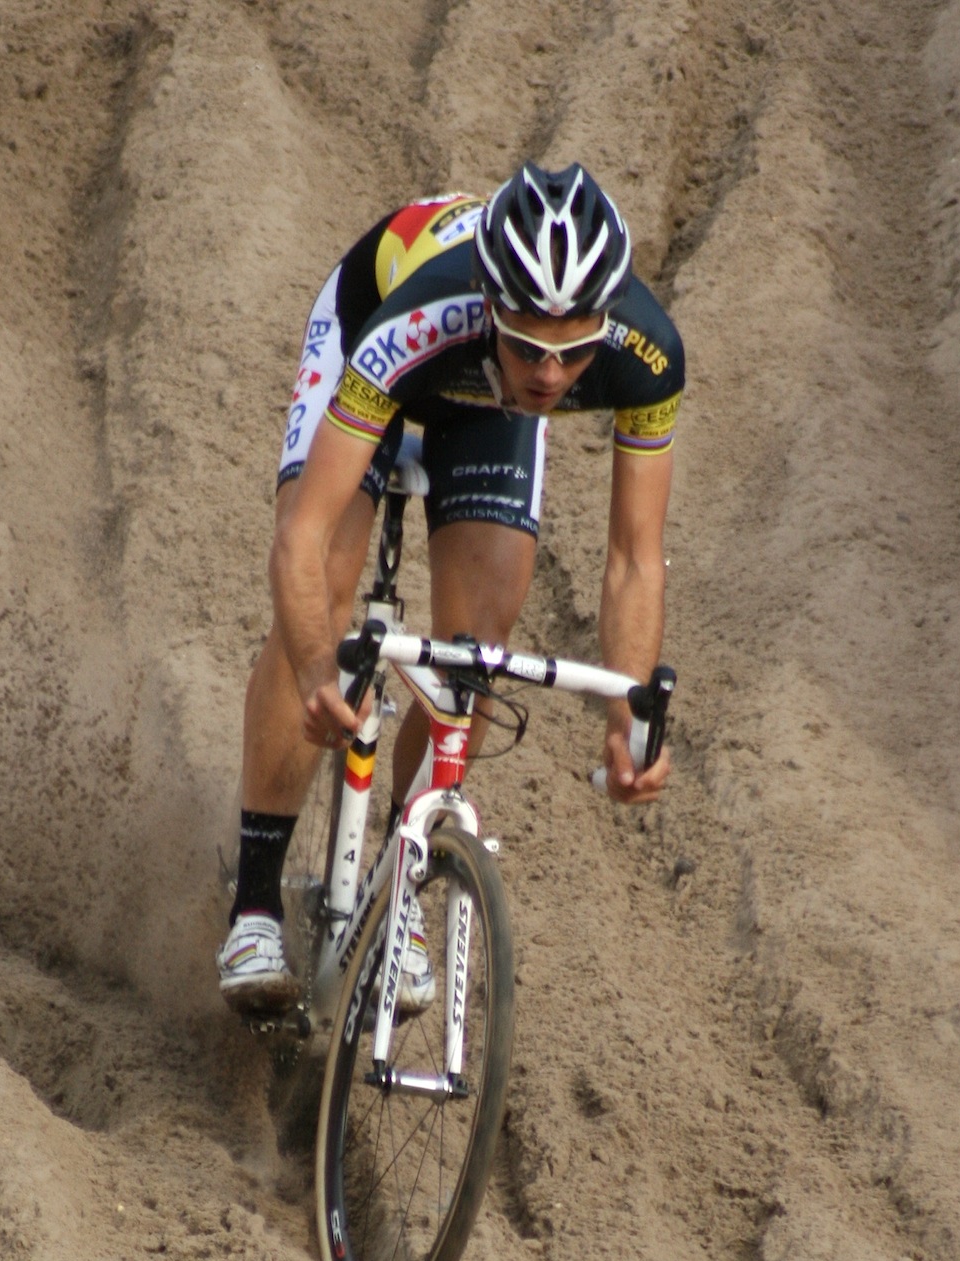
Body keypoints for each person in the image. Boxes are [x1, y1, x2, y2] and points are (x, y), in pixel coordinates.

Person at [218, 161, 684, 1009]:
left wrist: (626, 721)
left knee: (474, 653)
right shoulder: (425, 313)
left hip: (482, 410)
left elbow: (634, 559)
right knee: (320, 597)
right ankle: (253, 904)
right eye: (530, 348)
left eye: (576, 352)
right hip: (378, 337)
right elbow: (303, 532)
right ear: (491, 302)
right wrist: (319, 668)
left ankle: (398, 891)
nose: (550, 375)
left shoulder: (648, 355)